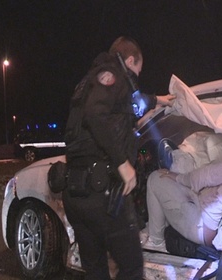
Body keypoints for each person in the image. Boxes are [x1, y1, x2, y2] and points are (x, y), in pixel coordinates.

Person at [62, 36, 175, 280]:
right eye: (136, 72)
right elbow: (96, 114)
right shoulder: (113, 73)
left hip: (77, 193)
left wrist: (158, 101)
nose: (135, 79)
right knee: (132, 268)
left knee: (96, 270)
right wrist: (123, 163)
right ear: (130, 60)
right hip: (103, 195)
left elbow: (124, 109)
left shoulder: (90, 82)